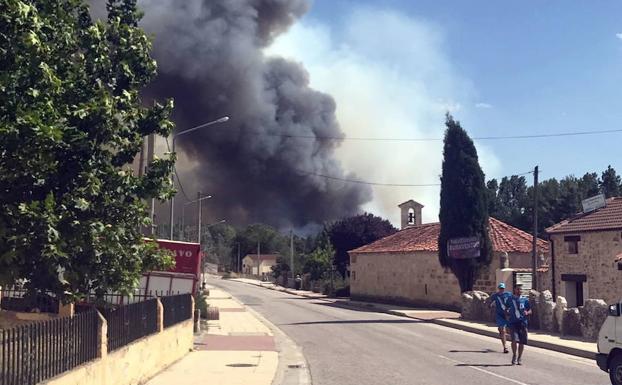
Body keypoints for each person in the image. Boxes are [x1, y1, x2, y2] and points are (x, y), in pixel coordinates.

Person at [505, 284, 532, 365]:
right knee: (514, 340)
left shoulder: (525, 300)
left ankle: (519, 358)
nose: (519, 291)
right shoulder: (510, 299)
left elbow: (530, 310)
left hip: (522, 323)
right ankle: (514, 355)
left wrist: (527, 312)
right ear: (515, 290)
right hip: (513, 323)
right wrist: (507, 317)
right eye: (517, 289)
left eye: (520, 290)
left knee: (522, 342)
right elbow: (506, 309)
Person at [489, 282, 511, 353]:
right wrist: (490, 306)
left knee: (508, 331)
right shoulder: (495, 296)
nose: (502, 290)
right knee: (503, 331)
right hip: (499, 315)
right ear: (498, 289)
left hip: (507, 314)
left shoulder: (508, 294)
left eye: (503, 288)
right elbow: (489, 302)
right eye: (500, 288)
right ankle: (505, 347)